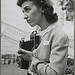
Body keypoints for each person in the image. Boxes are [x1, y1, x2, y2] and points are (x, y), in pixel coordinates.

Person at [17, 0, 69, 75]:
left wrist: (32, 59)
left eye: (27, 9)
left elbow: (54, 73)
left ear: (42, 8)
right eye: (23, 12)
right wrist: (24, 59)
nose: (24, 16)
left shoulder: (58, 35)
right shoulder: (38, 32)